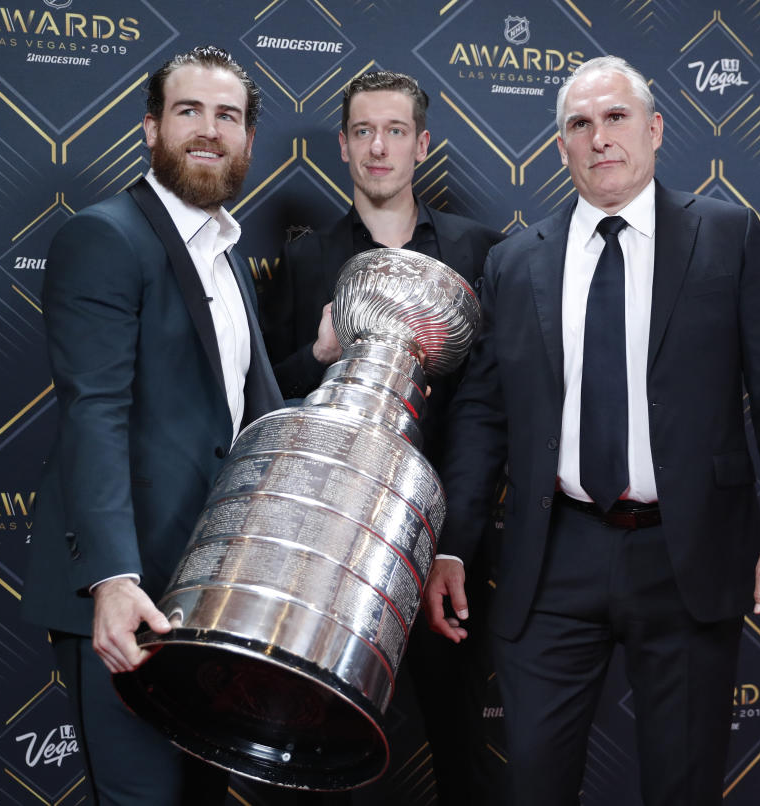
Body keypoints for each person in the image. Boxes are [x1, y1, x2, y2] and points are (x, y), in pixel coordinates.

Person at [423, 55, 760, 806]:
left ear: (654, 129)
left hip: (689, 555)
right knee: (532, 785)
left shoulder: (727, 236)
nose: (600, 137)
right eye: (580, 124)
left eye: (616, 118)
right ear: (560, 146)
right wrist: (453, 545)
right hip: (553, 556)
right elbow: (482, 417)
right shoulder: (514, 262)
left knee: (683, 786)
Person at [21, 46, 283, 806]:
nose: (209, 130)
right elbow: (92, 412)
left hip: (213, 601)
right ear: (149, 127)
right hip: (131, 599)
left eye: (227, 116)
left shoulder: (229, 256)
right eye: (188, 111)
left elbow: (236, 416)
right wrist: (112, 578)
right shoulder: (106, 237)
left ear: (248, 139)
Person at [259, 71, 503, 803]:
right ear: (342, 146)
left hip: (439, 543)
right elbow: (270, 400)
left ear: (421, 144)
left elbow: (485, 412)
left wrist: (450, 542)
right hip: (331, 541)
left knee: (461, 742)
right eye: (363, 131)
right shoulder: (307, 260)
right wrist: (321, 356)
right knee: (313, 744)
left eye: (395, 130)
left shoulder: (480, 254)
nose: (378, 146)